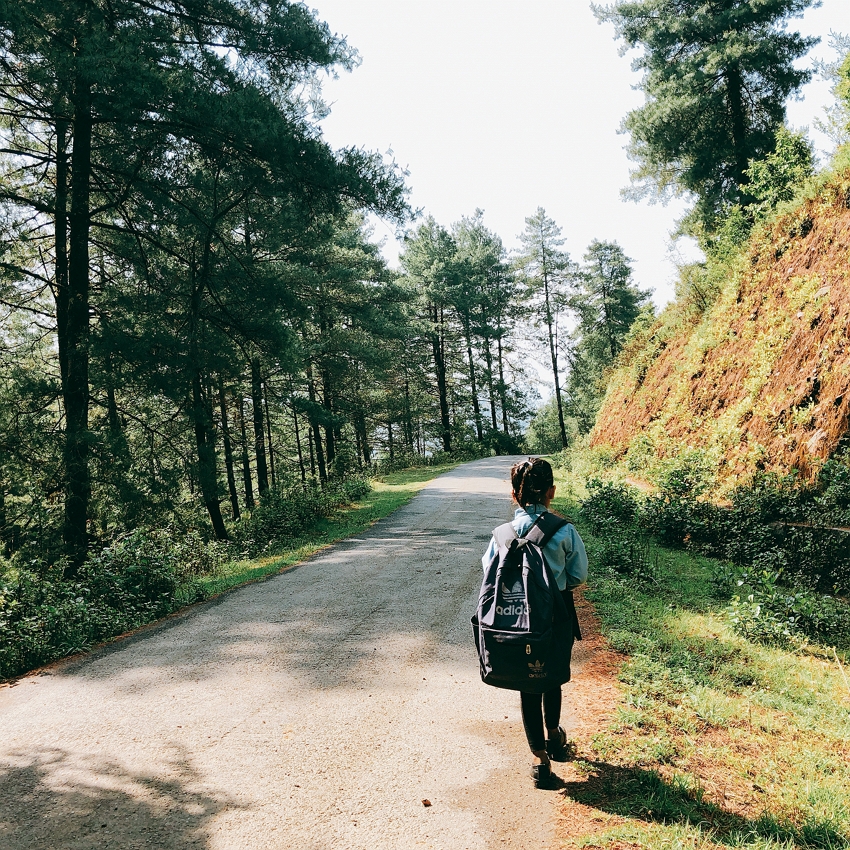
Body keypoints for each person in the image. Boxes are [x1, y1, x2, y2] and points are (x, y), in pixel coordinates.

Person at [480, 457, 588, 788]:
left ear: (514, 494)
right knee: (551, 675)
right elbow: (577, 575)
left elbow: (489, 573)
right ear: (552, 491)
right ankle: (555, 736)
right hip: (556, 617)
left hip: (517, 621)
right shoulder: (564, 530)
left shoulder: (501, 535)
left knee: (528, 684)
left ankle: (539, 762)